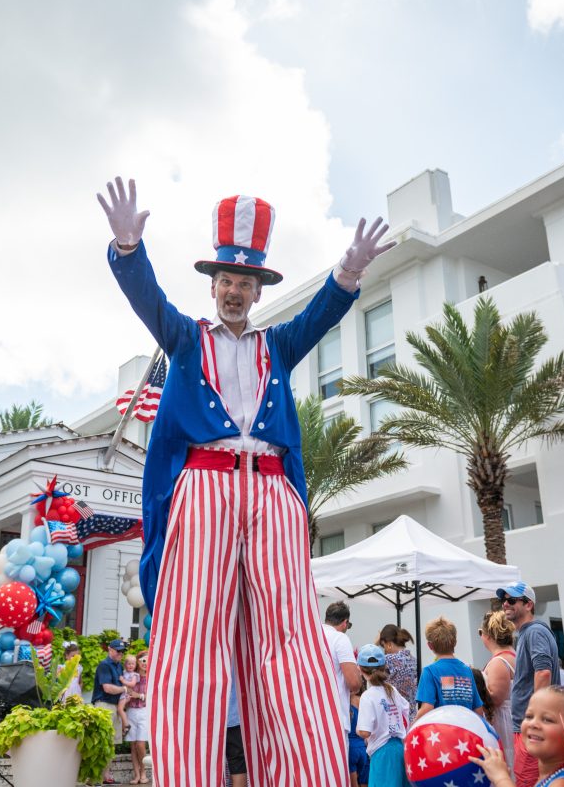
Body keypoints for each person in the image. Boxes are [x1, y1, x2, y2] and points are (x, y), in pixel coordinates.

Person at [101, 175, 394, 787]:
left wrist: (348, 273)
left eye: (246, 283)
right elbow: (147, 297)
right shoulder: (186, 338)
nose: (235, 291)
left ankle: (307, 776)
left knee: (291, 634)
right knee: (190, 633)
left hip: (270, 490)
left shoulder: (276, 346)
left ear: (258, 290)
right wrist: (129, 251)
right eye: (227, 281)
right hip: (203, 488)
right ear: (213, 286)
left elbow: (320, 315)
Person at [469, 687, 564, 787]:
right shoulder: (550, 776)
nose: (533, 724)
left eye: (547, 719)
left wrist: (501, 778)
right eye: (529, 716)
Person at [498, 581, 558, 787]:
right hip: (529, 725)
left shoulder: (534, 632)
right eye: (504, 600)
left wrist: (535, 718)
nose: (506, 604)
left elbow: (543, 671)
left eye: (512, 600)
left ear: (528, 605)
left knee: (527, 780)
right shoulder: (528, 632)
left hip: (532, 727)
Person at [353, 645, 410, 787]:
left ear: (360, 669)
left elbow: (365, 731)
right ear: (384, 667)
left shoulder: (367, 696)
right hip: (400, 749)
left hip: (382, 753)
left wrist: (358, 731)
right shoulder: (392, 690)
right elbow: (406, 711)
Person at [413, 617, 484, 719]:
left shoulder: (429, 671)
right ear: (455, 642)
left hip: (442, 731)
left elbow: (427, 708)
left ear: (430, 646)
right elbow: (478, 710)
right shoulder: (467, 670)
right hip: (464, 730)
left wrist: (412, 726)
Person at [479, 610, 516, 769]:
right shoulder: (513, 655)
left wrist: (476, 684)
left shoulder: (499, 662)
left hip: (503, 722)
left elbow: (495, 698)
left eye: (480, 632)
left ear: (488, 635)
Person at [324, 601, 363, 734]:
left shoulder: (312, 636)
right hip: (335, 716)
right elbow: (354, 683)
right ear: (345, 622)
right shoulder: (340, 638)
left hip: (312, 716)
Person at [91, 639, 127, 783]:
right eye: (118, 651)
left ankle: (105, 777)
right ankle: (94, 779)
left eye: (122, 651)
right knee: (101, 744)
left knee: (111, 744)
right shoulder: (104, 665)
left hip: (114, 706)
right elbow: (107, 688)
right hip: (104, 706)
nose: (121, 654)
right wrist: (124, 689)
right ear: (110, 650)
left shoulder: (119, 666)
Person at [376, 625, 416, 720]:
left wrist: (375, 643)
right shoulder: (413, 660)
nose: (384, 650)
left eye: (383, 646)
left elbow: (366, 663)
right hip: (411, 715)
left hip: (394, 716)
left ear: (389, 644)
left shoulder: (390, 659)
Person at [126, 651, 151, 785]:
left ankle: (143, 771)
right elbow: (127, 691)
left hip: (144, 711)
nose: (145, 664)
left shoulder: (152, 677)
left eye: (147, 661)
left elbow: (153, 696)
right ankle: (137, 775)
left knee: (141, 744)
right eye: (142, 660)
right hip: (131, 711)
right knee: (133, 745)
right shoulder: (132, 676)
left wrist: (139, 695)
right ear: (138, 662)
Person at [347, 689, 369, 787]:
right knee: (365, 782)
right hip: (364, 748)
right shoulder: (362, 700)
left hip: (350, 748)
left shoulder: (343, 703)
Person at [116, 654, 140, 739]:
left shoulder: (134, 675)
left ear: (135, 665)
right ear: (125, 665)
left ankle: (126, 725)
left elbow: (132, 684)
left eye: (133, 664)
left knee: (120, 709)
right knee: (120, 710)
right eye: (129, 664)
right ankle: (124, 727)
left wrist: (123, 680)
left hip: (126, 694)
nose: (131, 665)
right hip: (122, 693)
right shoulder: (124, 672)